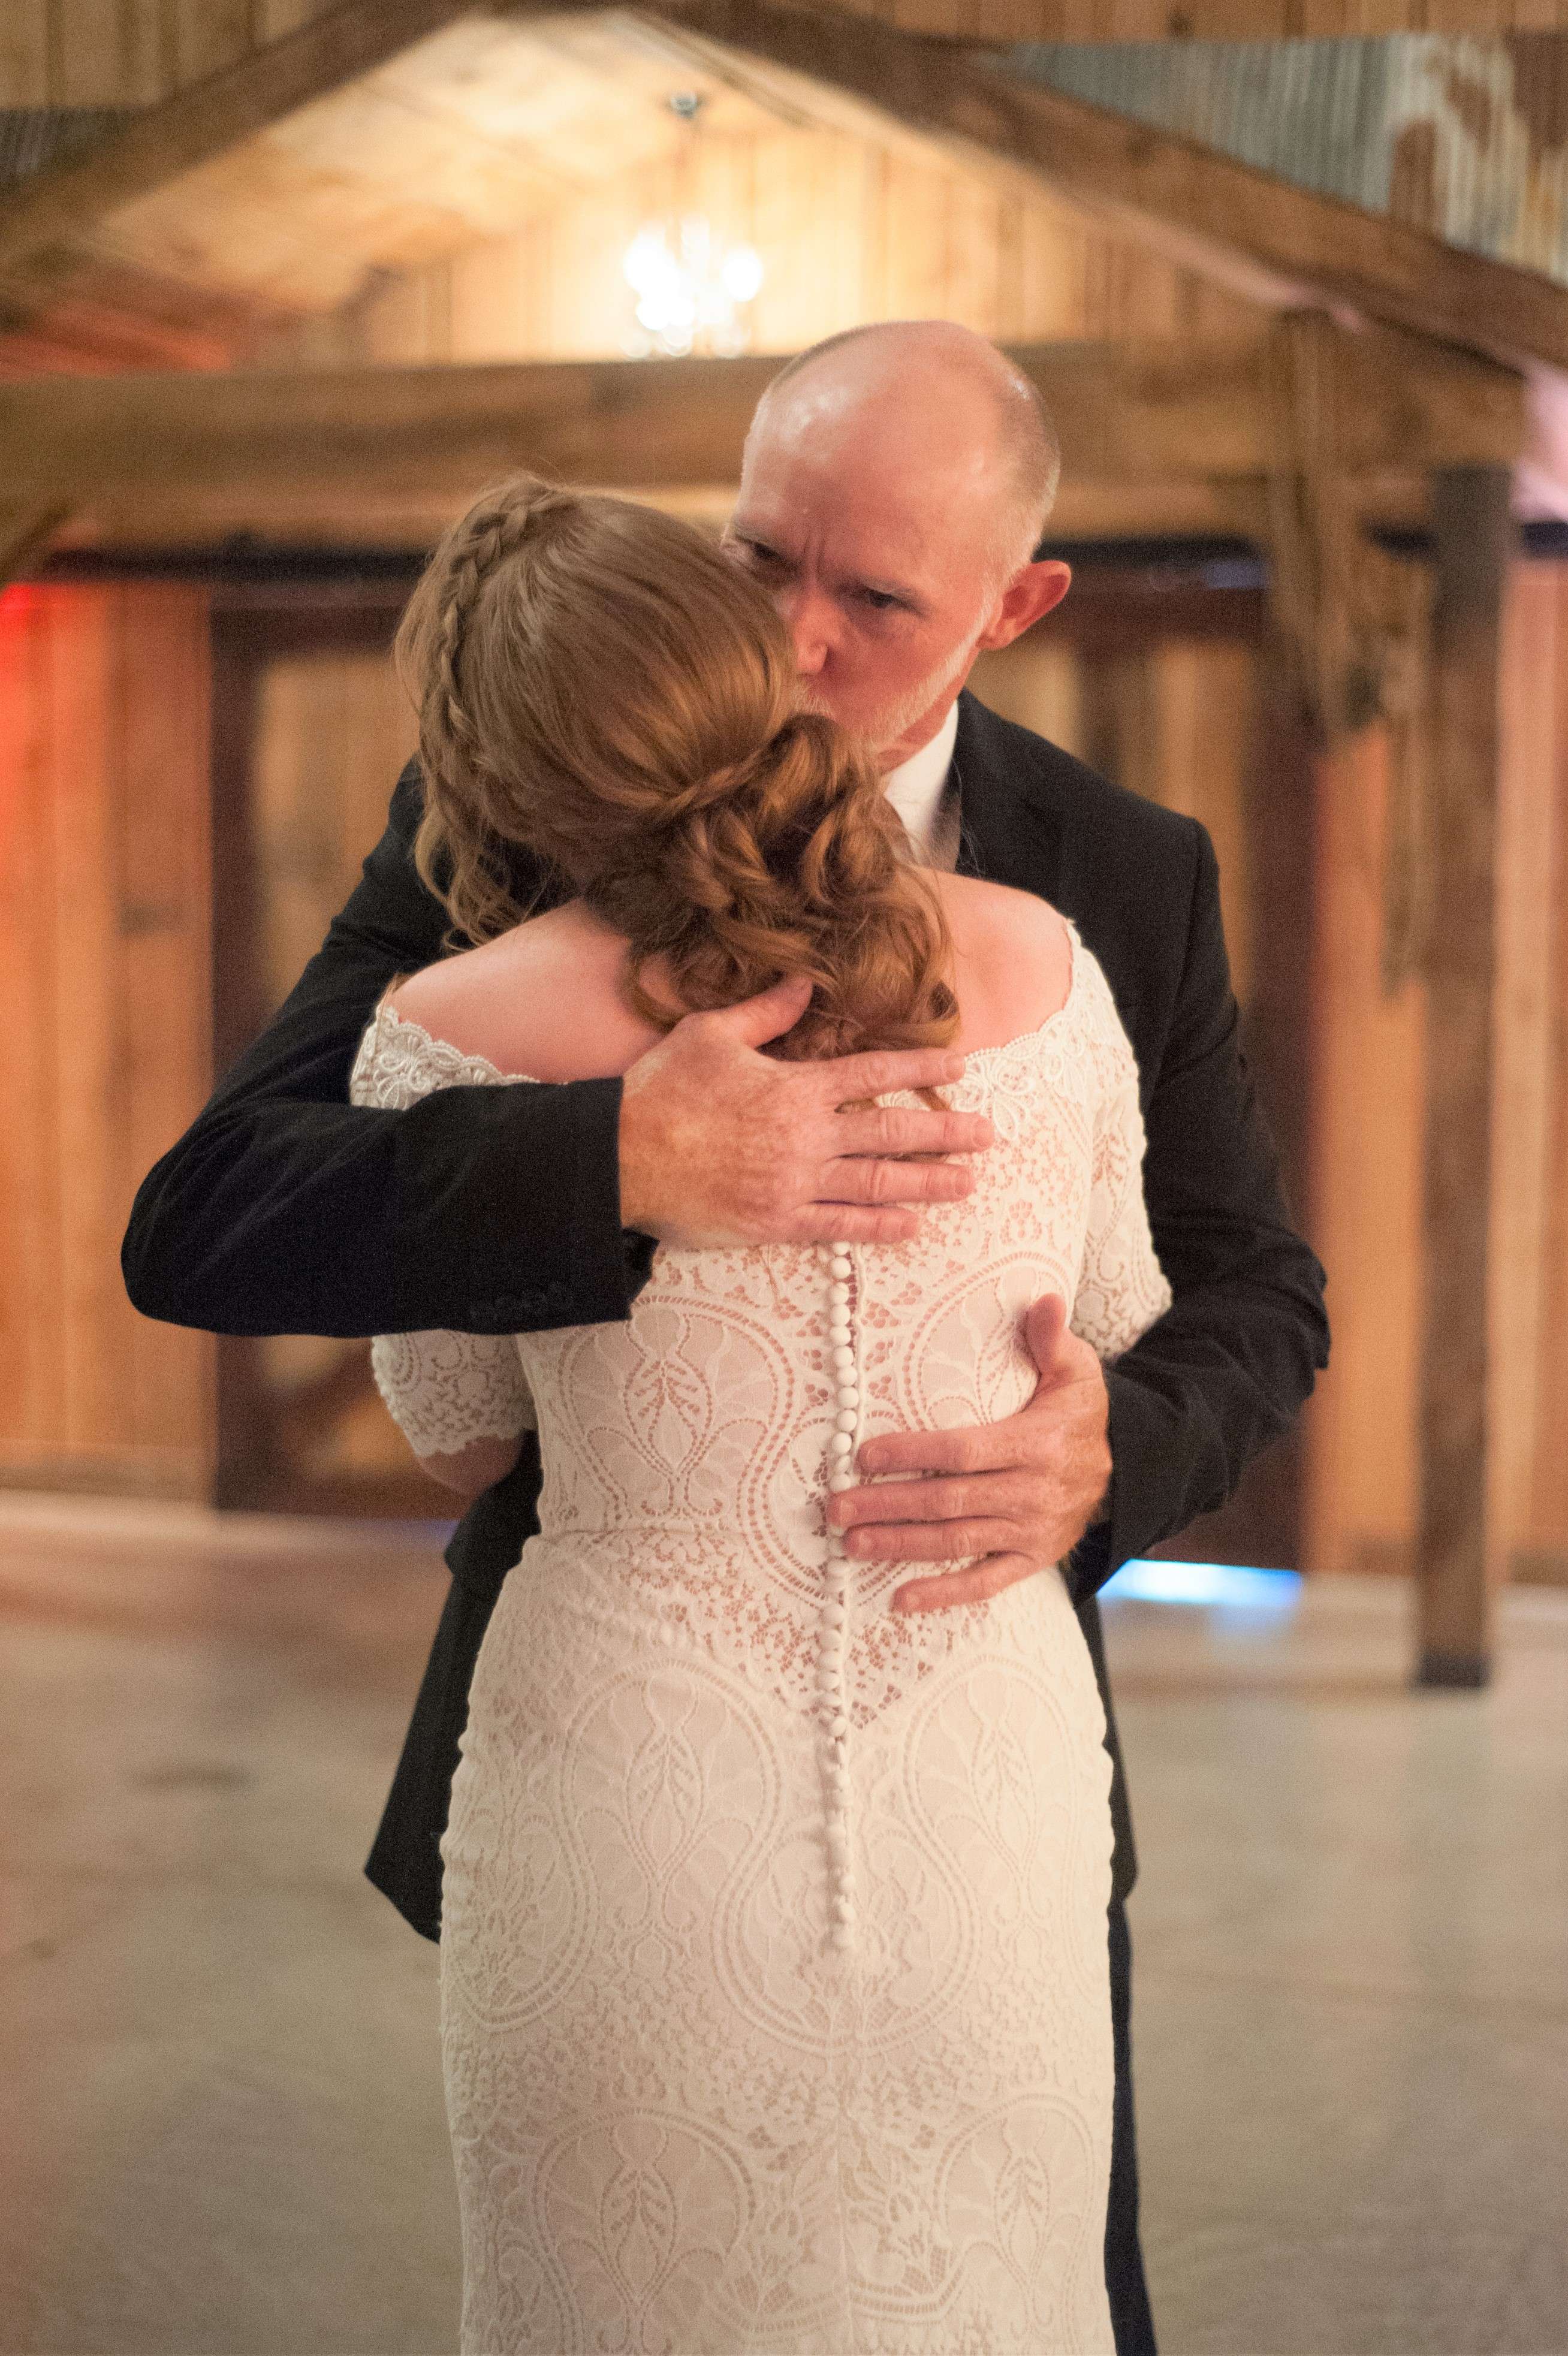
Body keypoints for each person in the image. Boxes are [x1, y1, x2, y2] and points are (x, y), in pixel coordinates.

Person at [121, 321, 1331, 2355]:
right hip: (624, 1771)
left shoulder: (1121, 873)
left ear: (1013, 609)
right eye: (760, 556)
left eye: (873, 597)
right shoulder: (488, 802)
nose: (788, 639)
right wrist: (608, 1154)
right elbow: (210, 1209)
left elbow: (1253, 1291)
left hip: (981, 1765)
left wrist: (1117, 1442)